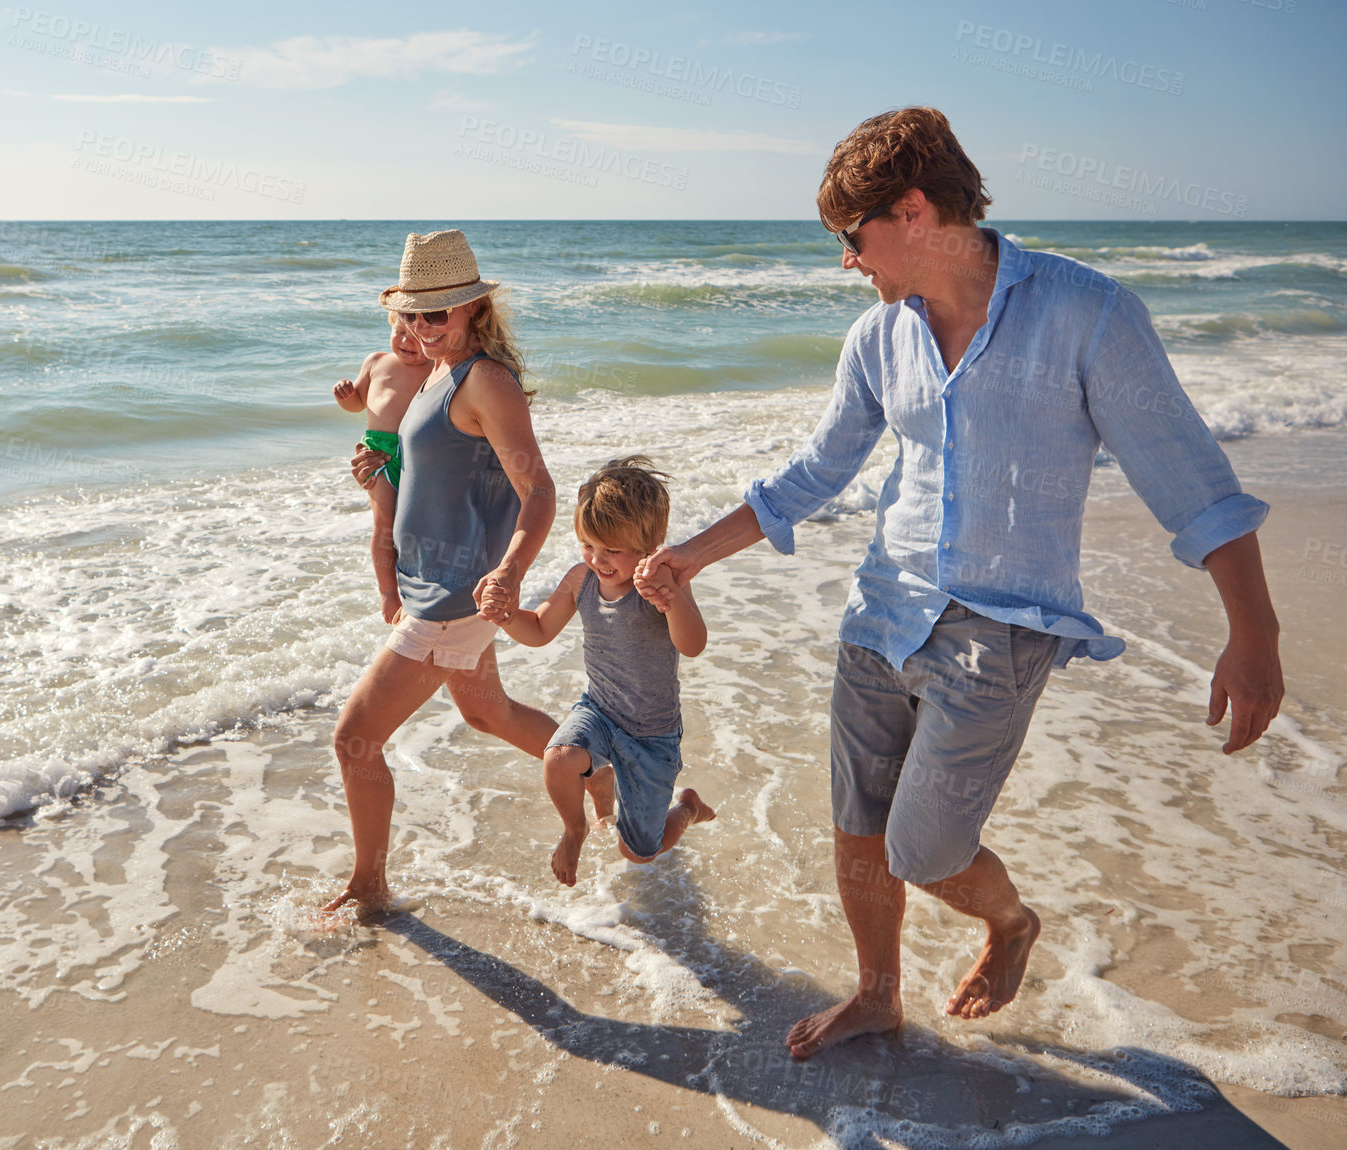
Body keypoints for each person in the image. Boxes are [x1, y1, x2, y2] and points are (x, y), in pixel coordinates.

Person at [636, 107, 1283, 1059]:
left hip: (1000, 632)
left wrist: (1253, 634)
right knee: (858, 829)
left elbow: (1190, 482)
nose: (846, 263)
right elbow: (814, 473)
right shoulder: (877, 338)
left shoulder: (1086, 313)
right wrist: (691, 552)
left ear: (910, 213)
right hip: (879, 613)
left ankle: (1011, 922)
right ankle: (875, 995)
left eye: (851, 240)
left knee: (924, 850)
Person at [325, 229, 560, 916]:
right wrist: (377, 482)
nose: (423, 327)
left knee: (353, 741)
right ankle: (605, 774)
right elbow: (439, 475)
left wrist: (510, 573)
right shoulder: (432, 372)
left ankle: (369, 886)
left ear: (472, 311)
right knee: (488, 713)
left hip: (453, 597)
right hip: (435, 583)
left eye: (438, 313)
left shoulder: (482, 378)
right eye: (412, 313)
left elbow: (538, 491)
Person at [492, 456, 713, 887]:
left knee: (639, 853)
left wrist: (671, 598)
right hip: (599, 711)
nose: (599, 559)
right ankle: (574, 830)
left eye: (613, 550)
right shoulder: (581, 580)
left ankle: (687, 807)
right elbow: (538, 629)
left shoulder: (663, 582)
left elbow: (694, 644)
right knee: (557, 758)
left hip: (652, 734)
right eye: (588, 545)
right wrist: (504, 615)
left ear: (650, 546)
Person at [333, 315, 434, 622]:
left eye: (415, 337)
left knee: (419, 524)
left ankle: (423, 585)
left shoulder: (436, 368)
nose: (405, 341)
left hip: (423, 454)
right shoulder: (377, 362)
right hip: (380, 454)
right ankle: (388, 593)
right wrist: (347, 396)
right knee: (384, 524)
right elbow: (358, 403)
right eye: (399, 332)